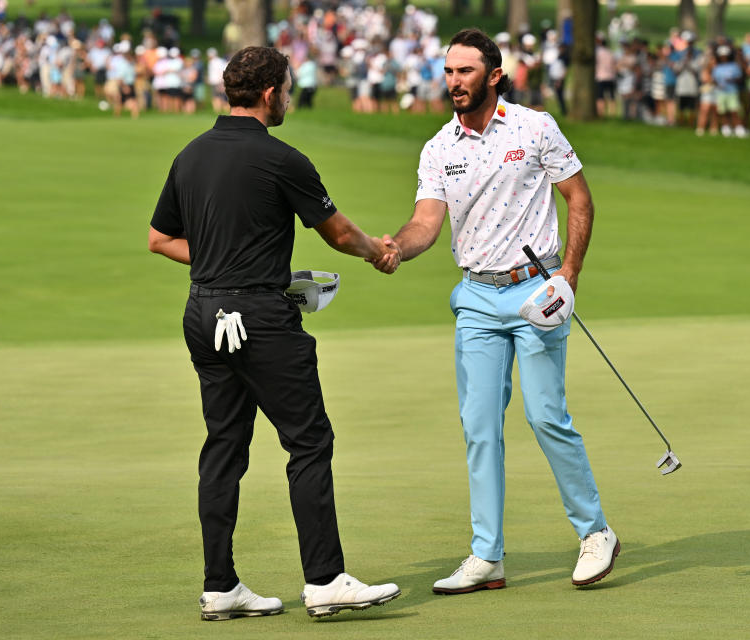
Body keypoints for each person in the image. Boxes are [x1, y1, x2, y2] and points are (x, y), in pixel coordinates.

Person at [147, 45, 400, 621]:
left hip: (204, 315)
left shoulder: (189, 155)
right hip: (259, 319)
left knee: (224, 448)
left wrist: (224, 263)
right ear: (269, 94)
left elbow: (161, 240)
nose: (289, 97)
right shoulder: (281, 158)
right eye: (287, 88)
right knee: (308, 441)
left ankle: (221, 587)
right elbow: (338, 235)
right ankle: (325, 579)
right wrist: (379, 253)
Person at [374, 28, 619, 594]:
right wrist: (396, 249)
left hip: (537, 291)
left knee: (545, 416)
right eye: (448, 72)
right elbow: (426, 224)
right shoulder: (438, 148)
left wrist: (570, 274)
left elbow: (577, 198)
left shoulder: (535, 127)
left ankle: (595, 532)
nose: (454, 82)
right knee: (479, 427)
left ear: (493, 75)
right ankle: (487, 557)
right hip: (477, 299)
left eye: (465, 71)